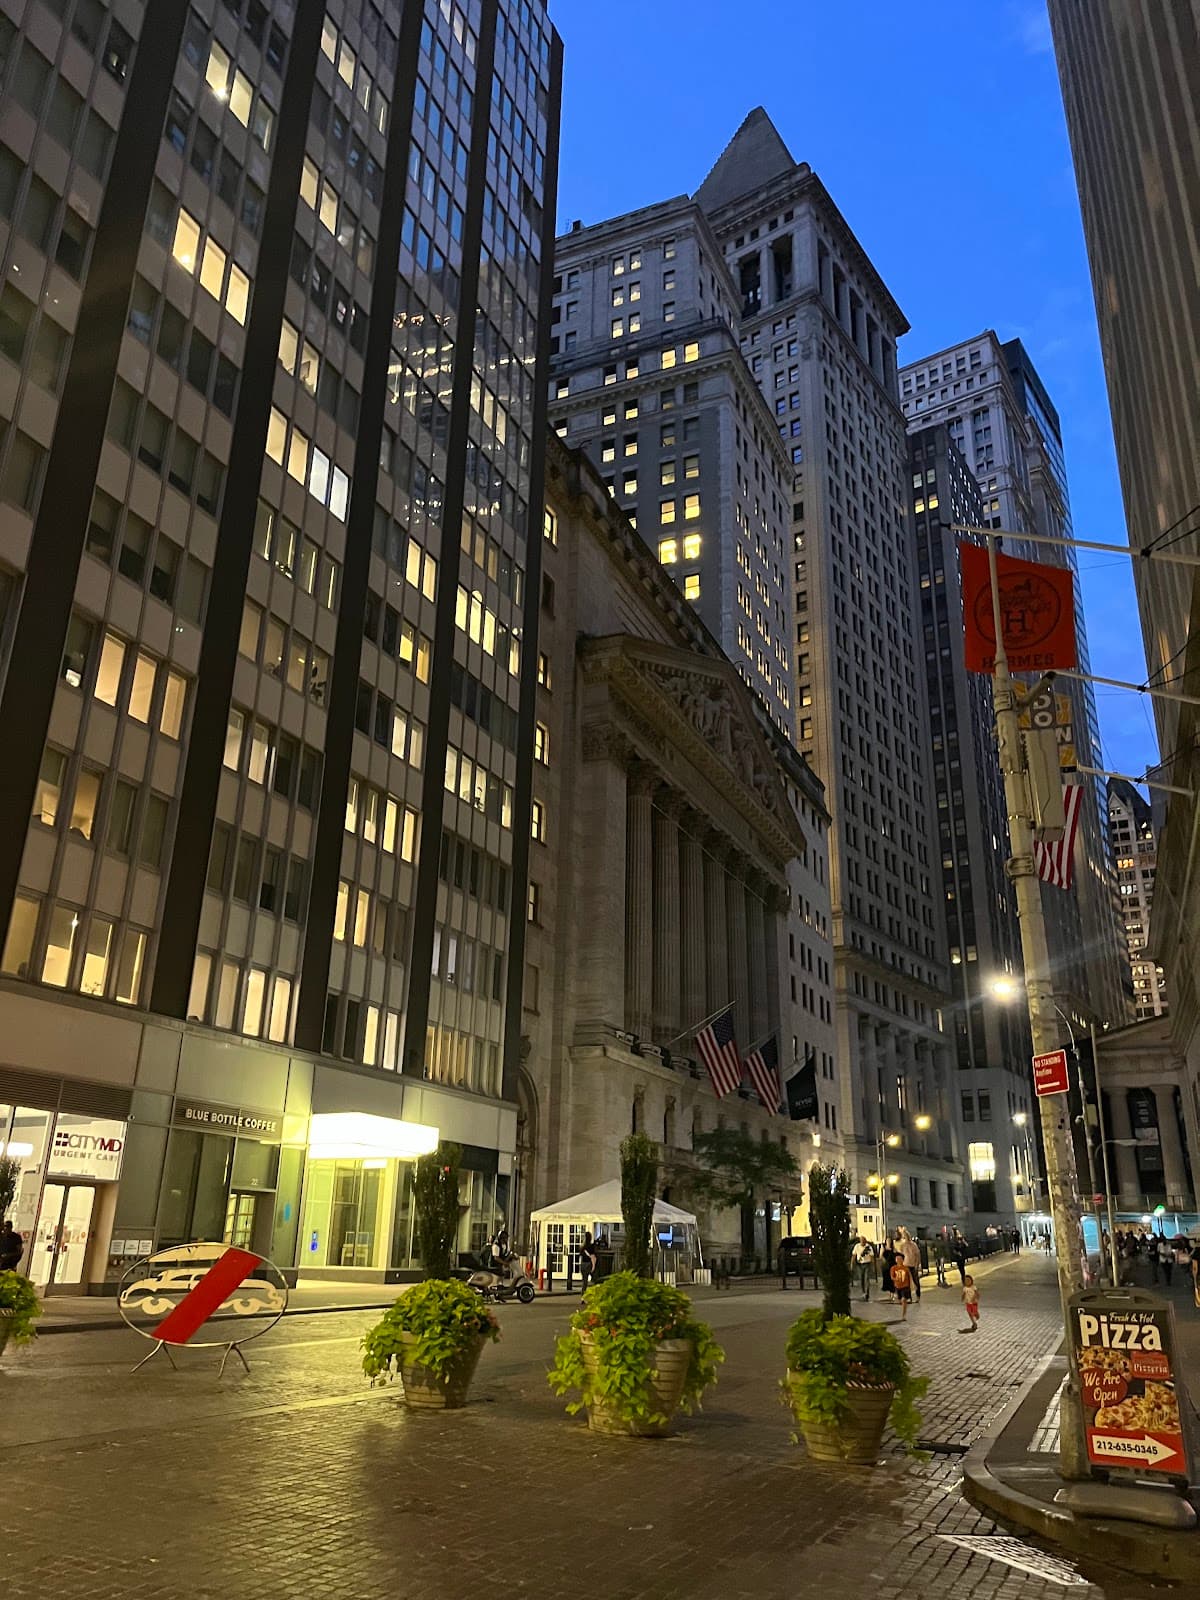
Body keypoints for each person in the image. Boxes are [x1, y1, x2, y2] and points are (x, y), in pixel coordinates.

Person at [890, 1251, 912, 1320]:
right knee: (899, 1300)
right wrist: (895, 1278)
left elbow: (910, 1277)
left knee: (904, 1300)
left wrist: (912, 1285)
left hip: (905, 1286)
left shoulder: (906, 1268)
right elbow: (892, 1277)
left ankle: (904, 1315)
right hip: (897, 1286)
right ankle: (901, 1303)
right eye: (897, 1259)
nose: (899, 1261)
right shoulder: (893, 1268)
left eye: (900, 1259)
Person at [853, 1236, 875, 1302]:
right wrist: (852, 1263)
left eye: (864, 1241)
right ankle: (863, 1293)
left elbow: (871, 1256)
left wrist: (873, 1266)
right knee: (861, 1278)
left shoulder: (868, 1247)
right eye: (861, 1241)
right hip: (859, 1265)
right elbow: (854, 1255)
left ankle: (867, 1293)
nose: (863, 1242)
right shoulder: (857, 1246)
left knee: (866, 1278)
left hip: (867, 1264)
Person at [901, 1232, 922, 1302]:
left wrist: (917, 1264)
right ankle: (909, 1297)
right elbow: (901, 1255)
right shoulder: (903, 1245)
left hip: (913, 1265)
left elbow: (918, 1255)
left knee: (916, 1281)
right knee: (907, 1283)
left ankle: (918, 1296)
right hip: (905, 1265)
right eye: (904, 1237)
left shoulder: (913, 1245)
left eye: (906, 1236)